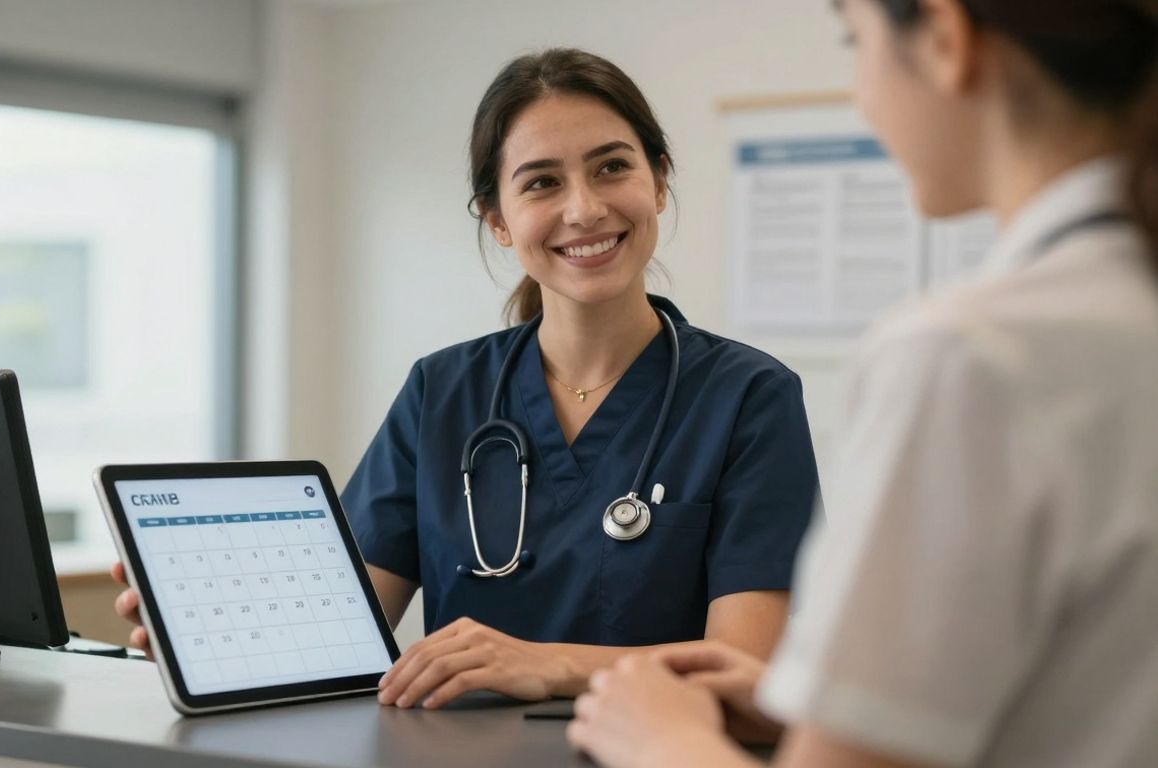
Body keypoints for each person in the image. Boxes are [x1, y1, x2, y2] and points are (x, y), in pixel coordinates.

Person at [115, 48, 820, 711]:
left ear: (658, 182)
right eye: (542, 182)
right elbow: (339, 633)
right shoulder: (442, 392)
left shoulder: (747, 398)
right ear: (499, 221)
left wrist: (552, 665)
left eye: (611, 168)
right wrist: (203, 635)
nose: (583, 208)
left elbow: (748, 671)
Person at [568, 1, 1158, 766]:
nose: (863, 93)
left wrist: (660, 738)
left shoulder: (968, 357)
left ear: (945, 38)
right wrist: (823, 707)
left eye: (857, 42)